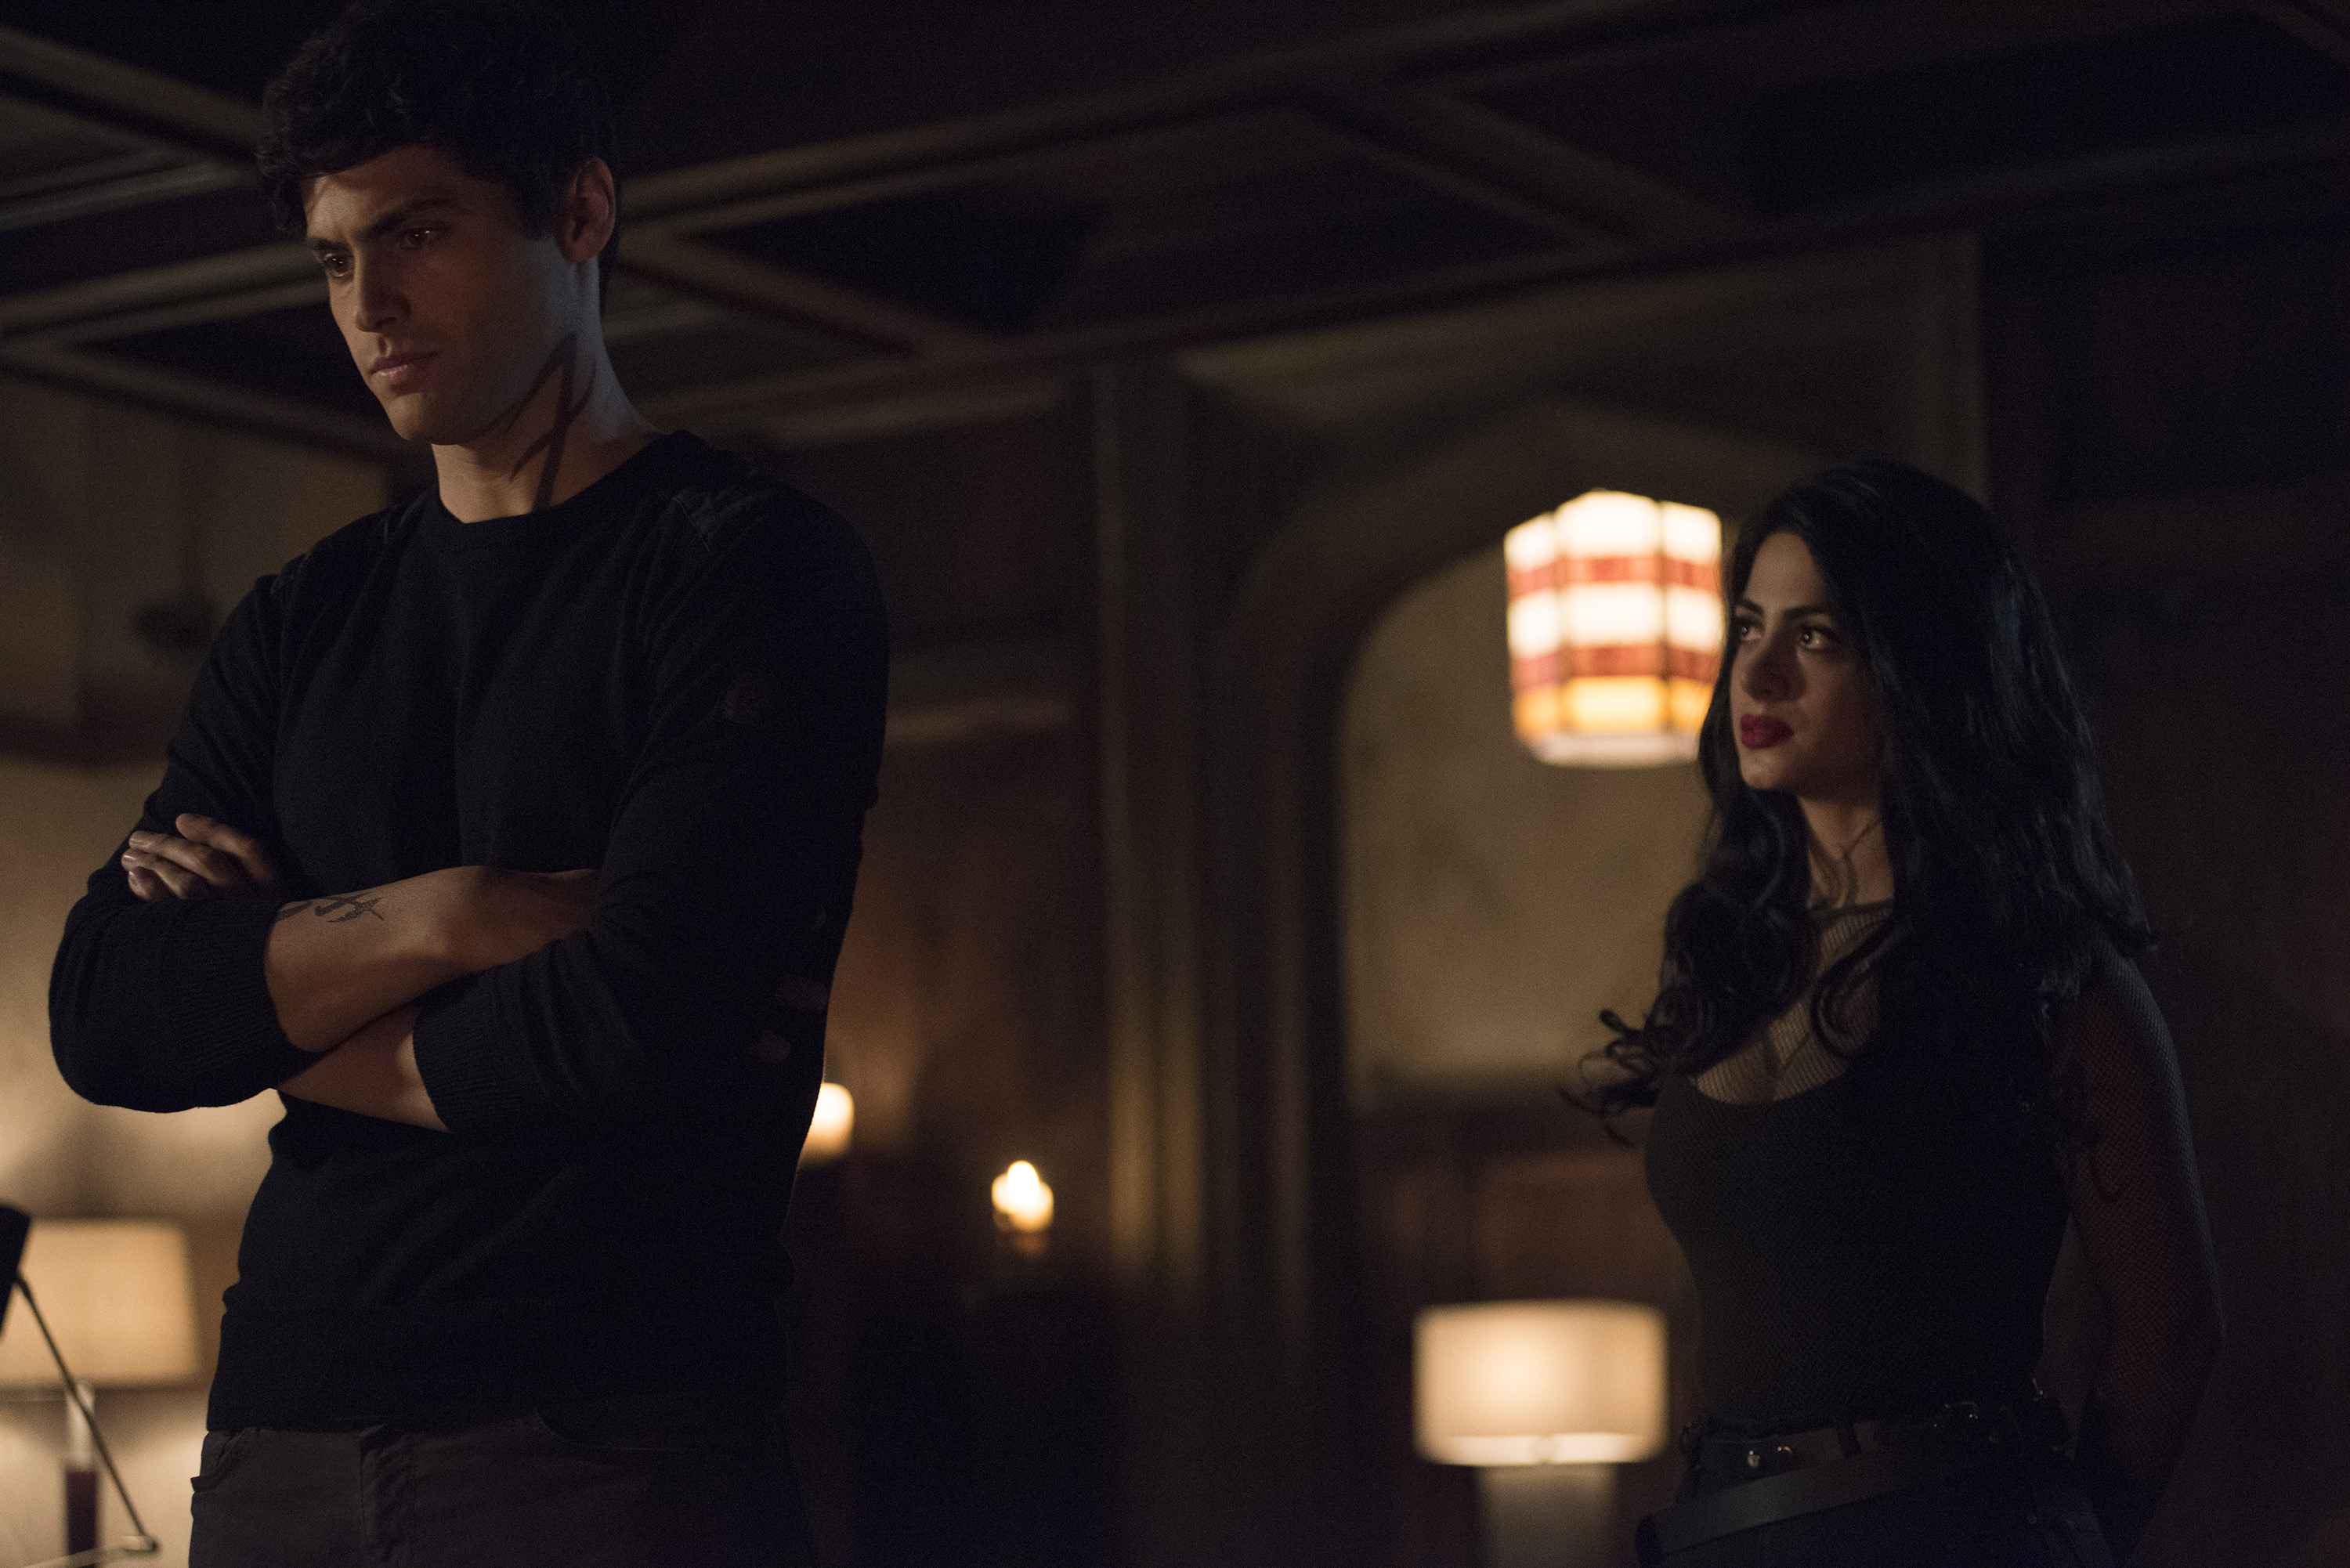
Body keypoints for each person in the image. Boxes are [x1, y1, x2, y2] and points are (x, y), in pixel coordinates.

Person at [45, 4, 886, 1563]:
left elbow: (640, 1019)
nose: (369, 304)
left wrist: (279, 1019)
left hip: (607, 1430)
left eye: (417, 234)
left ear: (581, 211)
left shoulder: (750, 570)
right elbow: (108, 1010)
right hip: (278, 1429)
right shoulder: (302, 615)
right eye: (334, 257)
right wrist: (450, 914)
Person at [1576, 462, 2222, 1566]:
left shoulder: (2043, 973)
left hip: (1944, 1525)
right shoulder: (1735, 953)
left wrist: (2065, 1543)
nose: (1757, 673)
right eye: (1748, 627)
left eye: (1815, 637)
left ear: (1922, 670)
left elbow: (2170, 1332)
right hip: (1726, 1527)